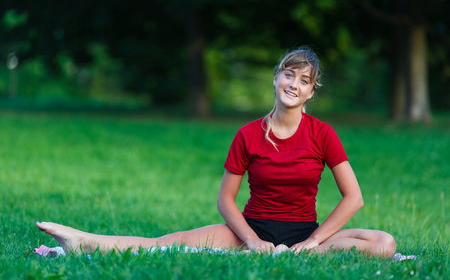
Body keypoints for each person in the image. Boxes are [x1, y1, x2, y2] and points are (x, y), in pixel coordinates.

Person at [36, 47, 396, 257]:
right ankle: (80, 240)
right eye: (289, 75)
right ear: (275, 78)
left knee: (383, 243)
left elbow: (354, 198)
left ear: (311, 93)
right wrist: (252, 241)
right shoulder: (247, 134)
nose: (294, 84)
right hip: (250, 229)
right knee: (164, 245)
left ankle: (306, 255)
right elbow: (226, 199)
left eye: (304, 81)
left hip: (306, 233)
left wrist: (314, 241)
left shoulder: (323, 134)